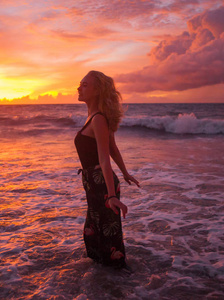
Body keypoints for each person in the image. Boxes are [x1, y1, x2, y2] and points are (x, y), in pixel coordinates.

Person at [74, 70, 140, 268]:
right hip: (94, 184)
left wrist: (111, 195)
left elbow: (104, 158)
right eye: (80, 83)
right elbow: (113, 147)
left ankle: (122, 284)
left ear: (97, 91)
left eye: (85, 85)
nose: (79, 87)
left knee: (109, 239)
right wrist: (125, 172)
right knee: (93, 234)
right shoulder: (94, 117)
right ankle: (105, 282)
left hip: (102, 186)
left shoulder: (98, 119)